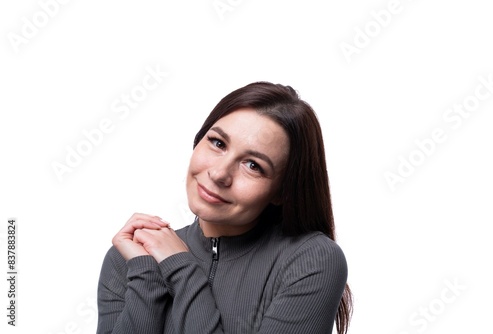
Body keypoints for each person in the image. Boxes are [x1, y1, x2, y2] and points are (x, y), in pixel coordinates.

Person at [96, 81, 353, 334]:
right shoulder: (131, 258)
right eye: (218, 143)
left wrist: (181, 268)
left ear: (281, 192)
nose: (219, 174)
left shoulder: (312, 261)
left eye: (253, 165)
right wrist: (148, 276)